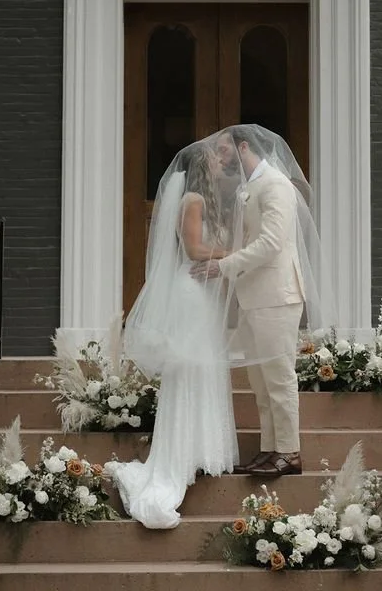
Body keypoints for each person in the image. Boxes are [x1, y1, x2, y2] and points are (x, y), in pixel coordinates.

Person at [104, 141, 240, 529]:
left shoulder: (210, 202)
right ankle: (177, 458)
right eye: (215, 157)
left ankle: (201, 450)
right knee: (189, 371)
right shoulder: (193, 200)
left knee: (204, 369)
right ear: (201, 166)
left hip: (206, 299)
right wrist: (231, 250)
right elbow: (195, 249)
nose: (221, 161)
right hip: (192, 294)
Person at [190, 125, 331, 478]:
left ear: (243, 147)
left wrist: (222, 266)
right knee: (260, 382)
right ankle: (270, 449)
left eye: (223, 151)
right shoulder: (248, 189)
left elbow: (270, 243)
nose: (220, 158)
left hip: (276, 296)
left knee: (279, 378)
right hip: (254, 296)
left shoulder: (275, 185)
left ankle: (290, 452)